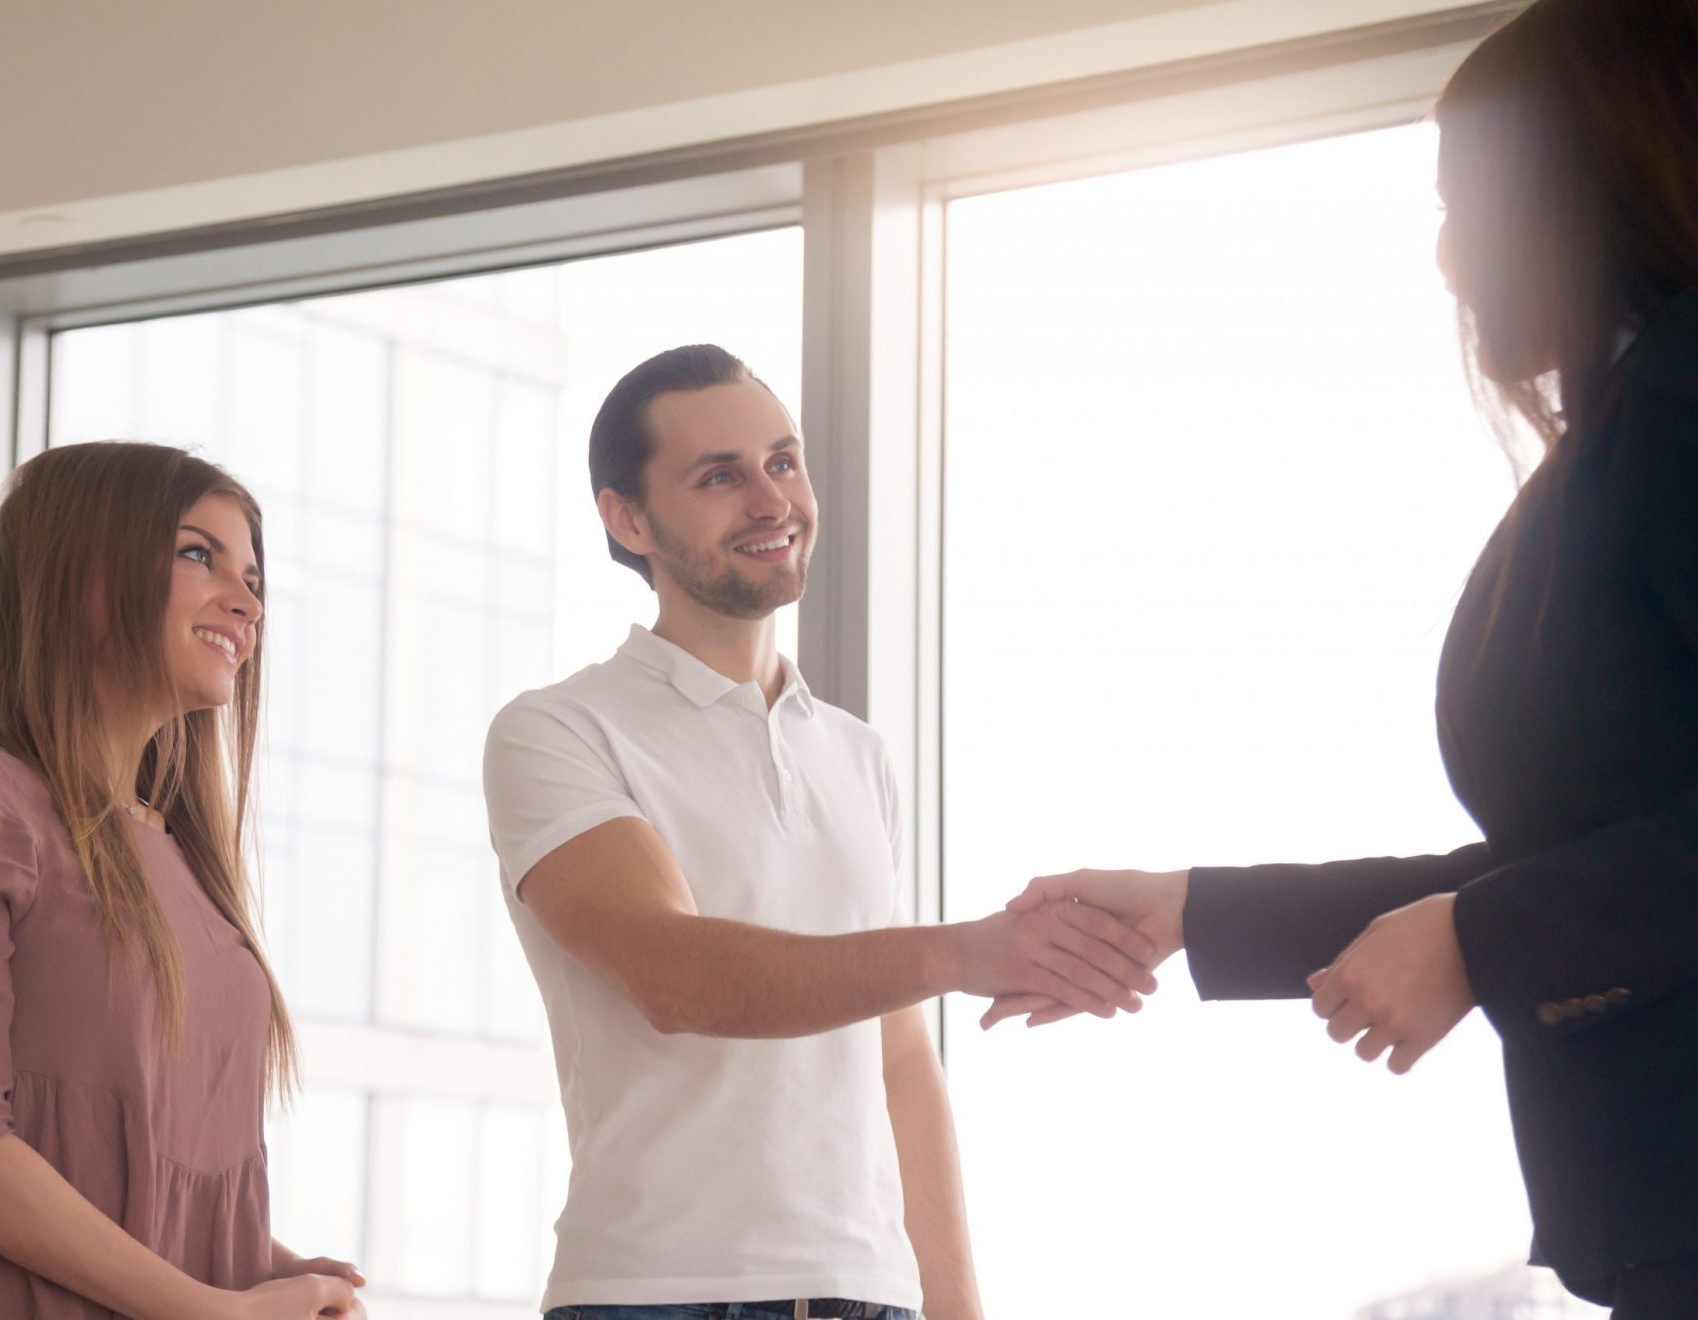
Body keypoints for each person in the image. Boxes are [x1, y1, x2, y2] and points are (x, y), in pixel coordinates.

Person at [990, 1, 1698, 1313]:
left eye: (1460, 201)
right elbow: (1593, 838)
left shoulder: (1677, 401)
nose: (1445, 258)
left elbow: (1542, 885)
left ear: (1570, 182)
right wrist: (1191, 912)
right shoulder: (1621, 429)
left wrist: (1487, 936)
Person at [482, 345, 1157, 1320]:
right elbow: (676, 978)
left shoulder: (859, 756)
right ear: (628, 519)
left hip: (870, 1295)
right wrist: (968, 951)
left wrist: (954, 1308)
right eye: (719, 476)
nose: (770, 499)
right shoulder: (558, 731)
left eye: (783, 462)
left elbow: (899, 1067)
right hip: (655, 1297)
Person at [0, 442, 364, 1319]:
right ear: (82, 574)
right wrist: (215, 1310)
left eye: (253, 576)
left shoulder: (184, 858)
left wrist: (263, 1269)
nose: (245, 602)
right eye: (199, 554)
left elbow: (138, 1168)